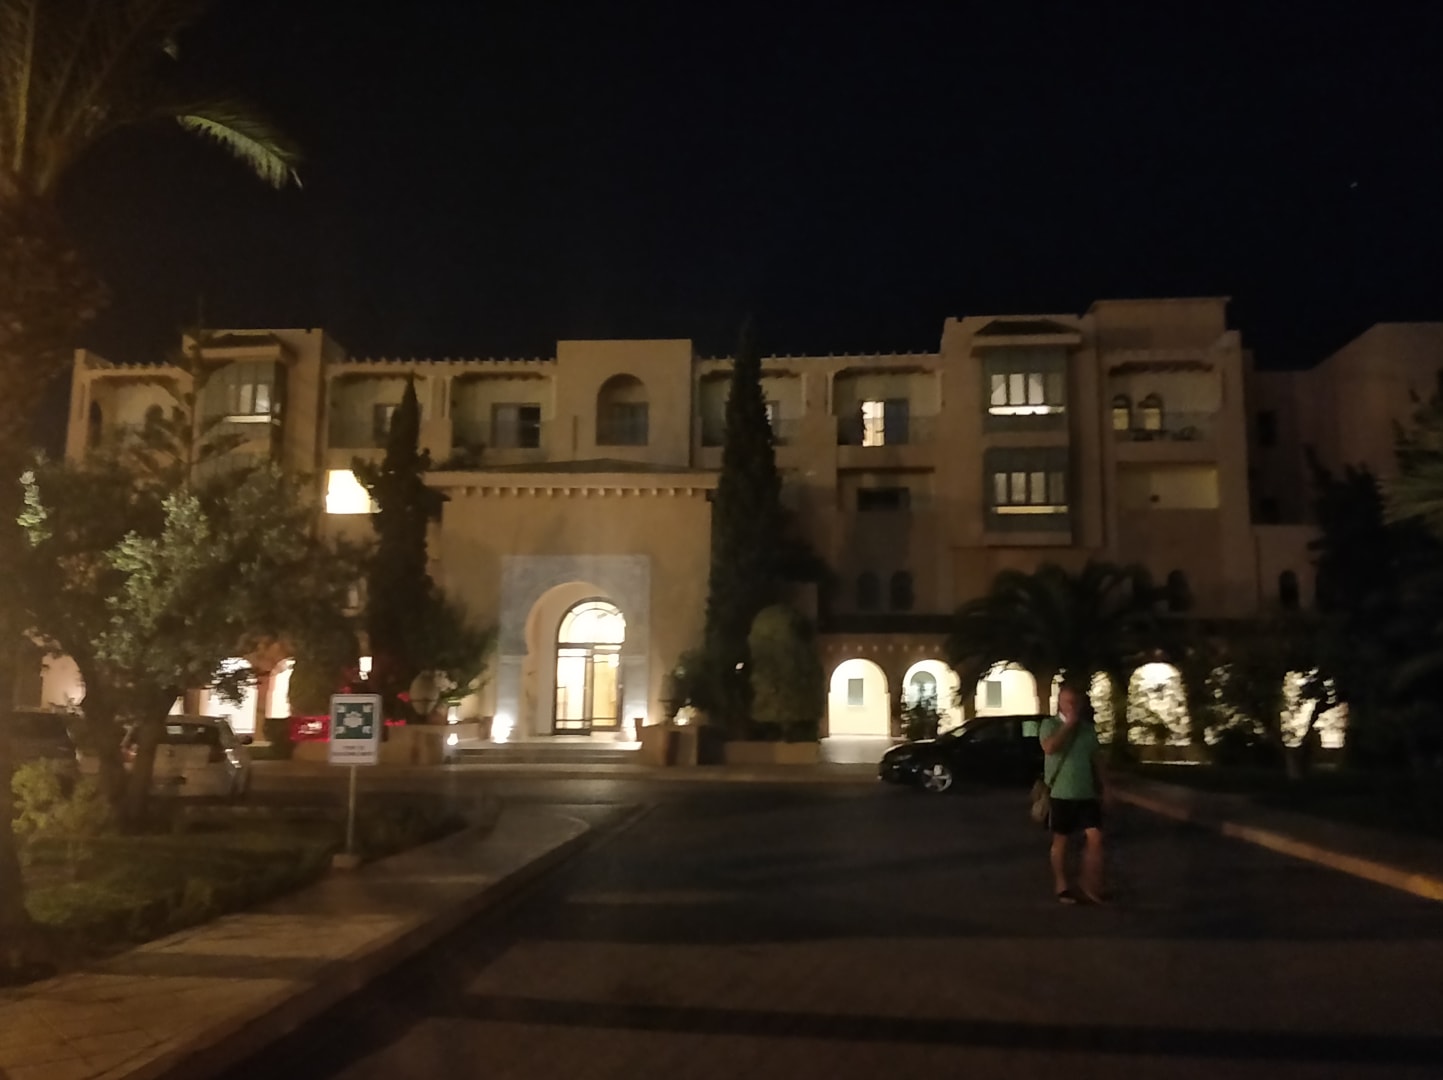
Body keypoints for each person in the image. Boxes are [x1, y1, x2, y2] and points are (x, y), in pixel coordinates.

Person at [1038, 683, 1106, 904]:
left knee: (1095, 838)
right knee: (1061, 841)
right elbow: (1049, 748)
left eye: (1075, 702)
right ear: (1059, 703)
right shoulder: (1049, 725)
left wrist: (1105, 786)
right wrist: (1068, 726)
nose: (1072, 706)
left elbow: (1097, 760)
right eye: (1067, 701)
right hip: (1061, 794)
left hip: (1086, 793)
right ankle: (1062, 885)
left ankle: (1090, 882)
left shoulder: (1088, 730)